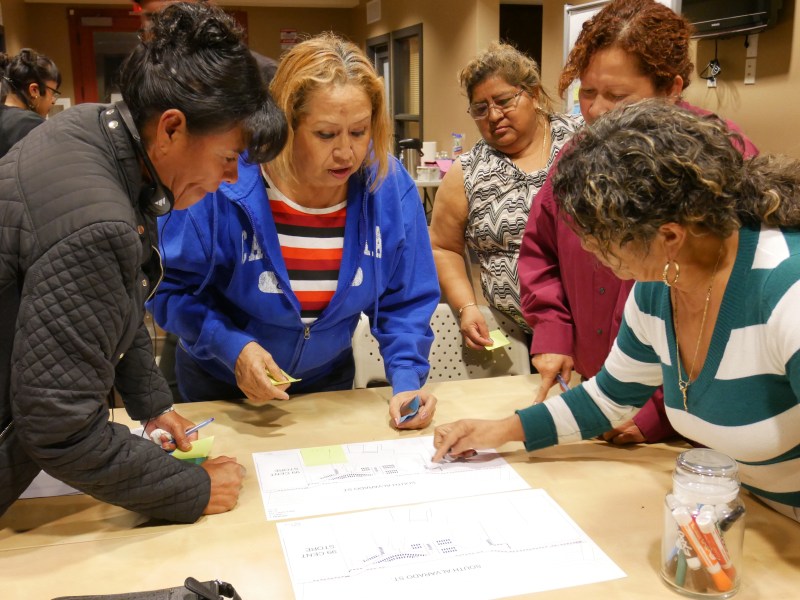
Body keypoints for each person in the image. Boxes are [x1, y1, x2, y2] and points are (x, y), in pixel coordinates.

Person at [434, 100, 800, 521]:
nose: (592, 254)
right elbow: (609, 398)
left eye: (602, 241)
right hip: (761, 516)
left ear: (670, 236)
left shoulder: (785, 289)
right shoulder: (659, 287)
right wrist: (499, 430)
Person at [0, 3, 286, 522]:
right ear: (172, 128)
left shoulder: (94, 130)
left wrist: (152, 405)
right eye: (228, 159)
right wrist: (190, 487)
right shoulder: (99, 224)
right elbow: (60, 429)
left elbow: (116, 296)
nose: (230, 180)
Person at [150, 33, 440, 429]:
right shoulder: (223, 179)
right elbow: (168, 288)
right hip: (220, 388)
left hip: (326, 387)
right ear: (286, 124)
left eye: (359, 132)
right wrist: (232, 347)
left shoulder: (388, 186)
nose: (346, 153)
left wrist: (406, 380)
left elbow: (405, 301)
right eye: (325, 134)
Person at [517, 0, 759, 444]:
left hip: (696, 419)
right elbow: (540, 252)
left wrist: (654, 414)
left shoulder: (722, 161)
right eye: (587, 92)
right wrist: (553, 333)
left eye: (617, 96)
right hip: (598, 396)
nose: (596, 110)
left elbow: (732, 306)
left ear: (671, 89)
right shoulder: (576, 158)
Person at [429, 42, 581, 350]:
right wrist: (467, 306)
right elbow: (443, 247)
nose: (494, 115)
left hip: (599, 328)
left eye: (504, 101)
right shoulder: (468, 171)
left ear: (533, 94)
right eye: (480, 109)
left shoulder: (581, 140)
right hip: (519, 337)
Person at [0, 48, 61, 157]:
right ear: (34, 90)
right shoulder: (32, 125)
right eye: (53, 93)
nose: (53, 101)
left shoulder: (3, 116)